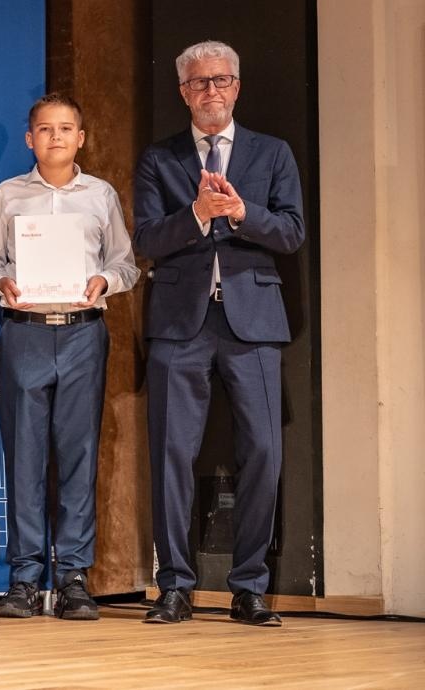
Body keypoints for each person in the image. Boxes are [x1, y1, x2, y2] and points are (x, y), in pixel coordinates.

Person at [134, 41, 305, 628]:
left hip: (252, 322)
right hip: (180, 326)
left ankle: (249, 587)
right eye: (200, 83)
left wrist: (239, 213)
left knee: (262, 450)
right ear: (184, 91)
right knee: (171, 455)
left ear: (237, 87)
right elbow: (148, 240)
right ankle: (175, 586)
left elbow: (290, 233)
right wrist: (198, 216)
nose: (212, 91)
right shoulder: (160, 158)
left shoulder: (272, 152)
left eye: (222, 81)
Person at [0, 93, 138, 621]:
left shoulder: (101, 195)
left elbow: (126, 265)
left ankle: (72, 576)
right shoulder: (8, 195)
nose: (56, 137)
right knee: (23, 458)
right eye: (45, 129)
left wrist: (105, 280)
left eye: (66, 129)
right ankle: (24, 577)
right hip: (23, 333)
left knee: (78, 456)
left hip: (83, 333)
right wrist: (0, 280)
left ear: (81, 138)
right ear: (30, 138)